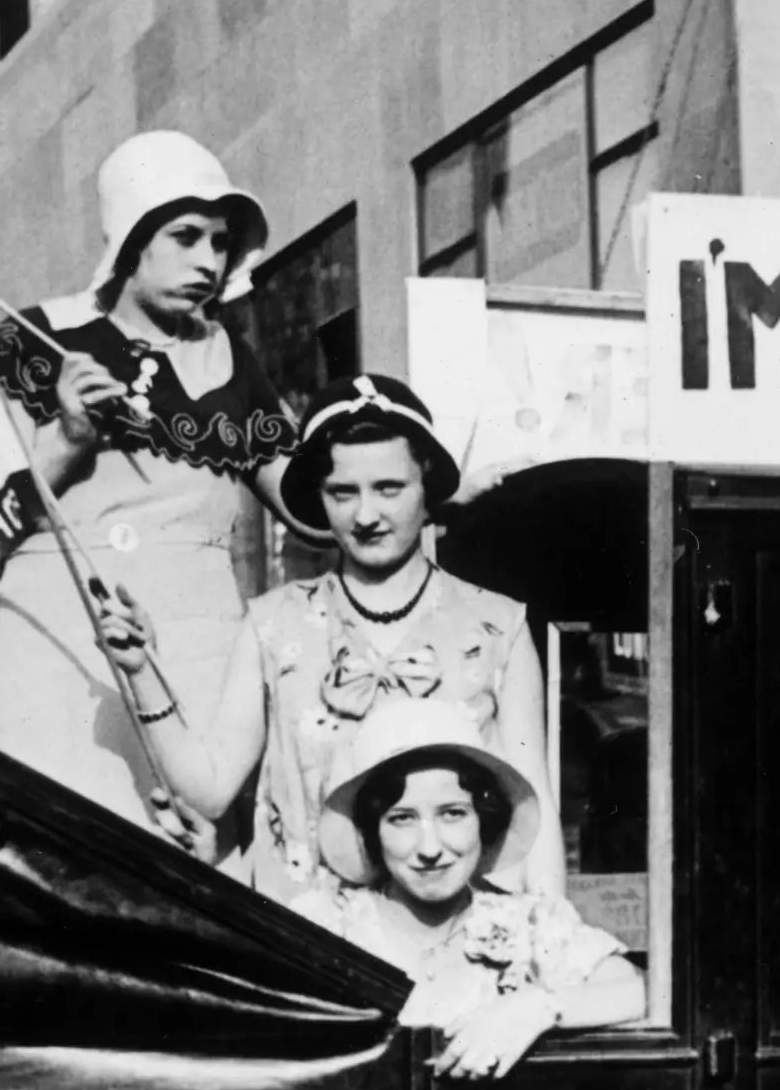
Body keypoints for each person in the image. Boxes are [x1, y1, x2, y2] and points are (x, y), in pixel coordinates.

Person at [98, 372, 562, 904]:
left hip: (459, 948)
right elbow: (208, 789)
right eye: (344, 492)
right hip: (310, 946)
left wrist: (550, 944)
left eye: (389, 488)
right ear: (319, 497)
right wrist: (141, 672)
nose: (366, 515)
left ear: (426, 486)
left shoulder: (498, 626)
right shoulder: (273, 625)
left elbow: (536, 806)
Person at [0, 132, 298, 839]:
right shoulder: (39, 337)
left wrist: (413, 474)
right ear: (130, 239)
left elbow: (306, 500)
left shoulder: (232, 358)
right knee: (56, 855)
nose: (208, 261)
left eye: (220, 242)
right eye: (185, 236)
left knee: (189, 853)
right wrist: (67, 437)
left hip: (198, 642)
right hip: (60, 643)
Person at [298, 703, 639, 1079]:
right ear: (373, 831)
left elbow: (643, 992)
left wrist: (538, 1007)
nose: (430, 848)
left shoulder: (529, 924)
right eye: (402, 819)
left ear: (484, 820)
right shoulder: (327, 926)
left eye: (452, 813)